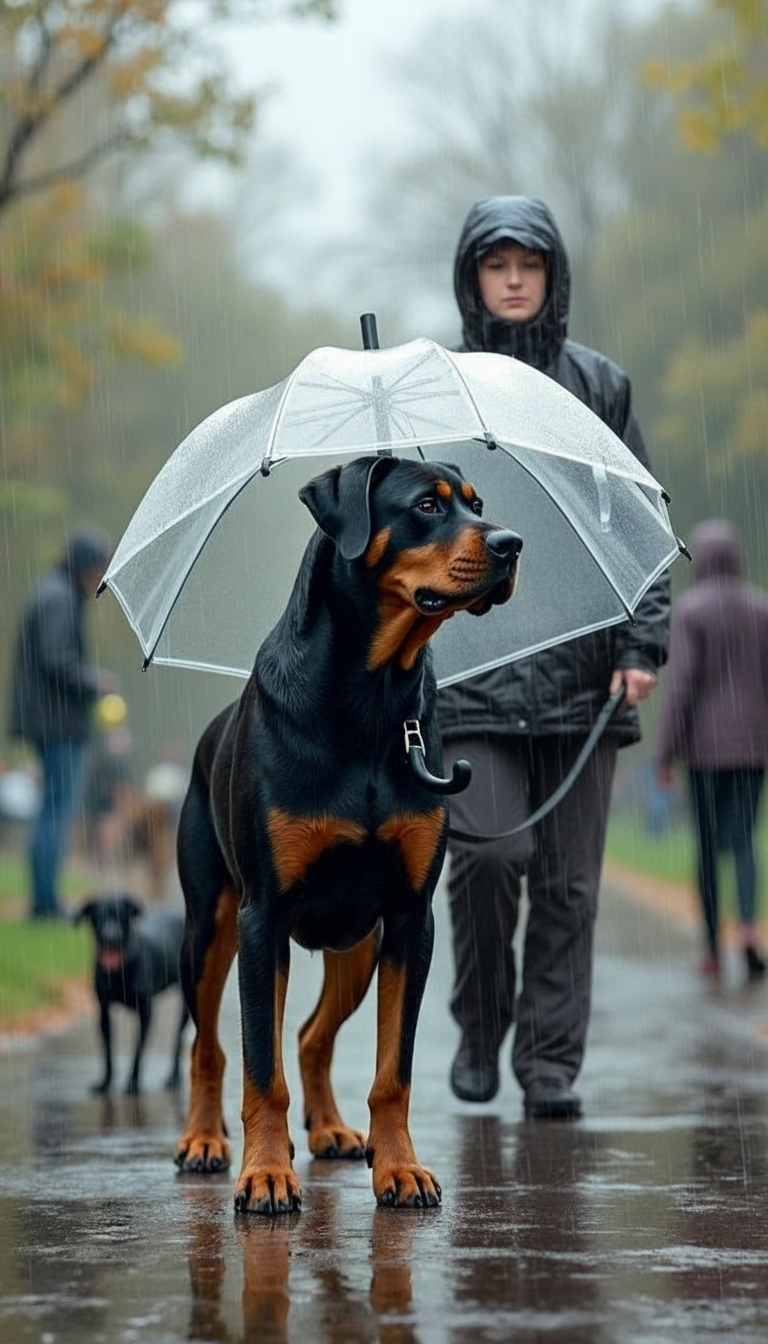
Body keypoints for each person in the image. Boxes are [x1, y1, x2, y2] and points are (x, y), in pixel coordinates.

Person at [439, 196, 670, 1118]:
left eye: (528, 266)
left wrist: (643, 639)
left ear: (552, 278)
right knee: (491, 856)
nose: (513, 280)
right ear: (474, 280)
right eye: (497, 266)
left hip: (586, 674)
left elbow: (643, 521)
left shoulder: (600, 386)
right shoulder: (440, 390)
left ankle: (548, 1067)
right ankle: (481, 1022)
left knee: (569, 887)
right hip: (474, 672)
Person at [655, 520, 768, 982]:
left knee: (704, 847)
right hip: (753, 752)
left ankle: (711, 949)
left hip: (703, 752)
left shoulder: (692, 611)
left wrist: (664, 754)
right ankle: (746, 929)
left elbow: (680, 686)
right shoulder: (761, 609)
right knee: (743, 841)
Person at [9, 529, 112, 919]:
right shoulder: (58, 599)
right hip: (57, 724)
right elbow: (56, 659)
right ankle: (46, 902)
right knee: (56, 809)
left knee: (51, 808)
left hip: (49, 720)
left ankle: (44, 899)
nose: (99, 575)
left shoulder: (53, 593)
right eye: (98, 566)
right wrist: (95, 682)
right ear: (86, 565)